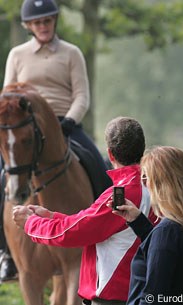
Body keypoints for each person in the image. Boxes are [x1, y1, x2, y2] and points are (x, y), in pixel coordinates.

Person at [0, 0, 112, 281]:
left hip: (64, 124)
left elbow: (82, 96)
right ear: (28, 26)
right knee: (1, 175)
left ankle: (105, 239)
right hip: (25, 129)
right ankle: (6, 253)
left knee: (98, 165)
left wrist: (68, 122)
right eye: (37, 22)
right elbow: (7, 96)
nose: (43, 26)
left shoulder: (71, 53)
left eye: (47, 21)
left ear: (55, 21)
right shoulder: (17, 54)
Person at [13, 117, 158, 305]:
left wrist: (31, 224)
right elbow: (96, 223)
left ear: (110, 154)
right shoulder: (153, 186)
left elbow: (79, 231)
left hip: (114, 297)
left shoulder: (118, 196)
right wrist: (52, 216)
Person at [109, 146, 183, 305]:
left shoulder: (167, 232)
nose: (144, 184)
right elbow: (168, 259)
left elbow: (153, 298)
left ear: (162, 183)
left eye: (146, 178)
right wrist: (139, 222)